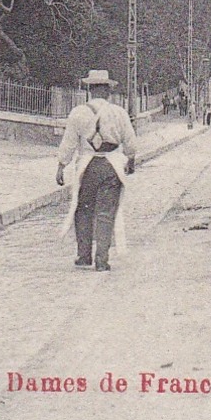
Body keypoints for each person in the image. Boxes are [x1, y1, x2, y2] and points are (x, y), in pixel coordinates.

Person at [56, 71, 138, 271]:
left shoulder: (78, 113)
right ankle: (102, 259)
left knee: (83, 210)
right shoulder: (119, 113)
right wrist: (131, 160)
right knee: (105, 212)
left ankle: (84, 256)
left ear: (90, 90)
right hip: (111, 166)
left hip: (87, 167)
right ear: (108, 91)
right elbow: (130, 142)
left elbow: (68, 143)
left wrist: (61, 166)